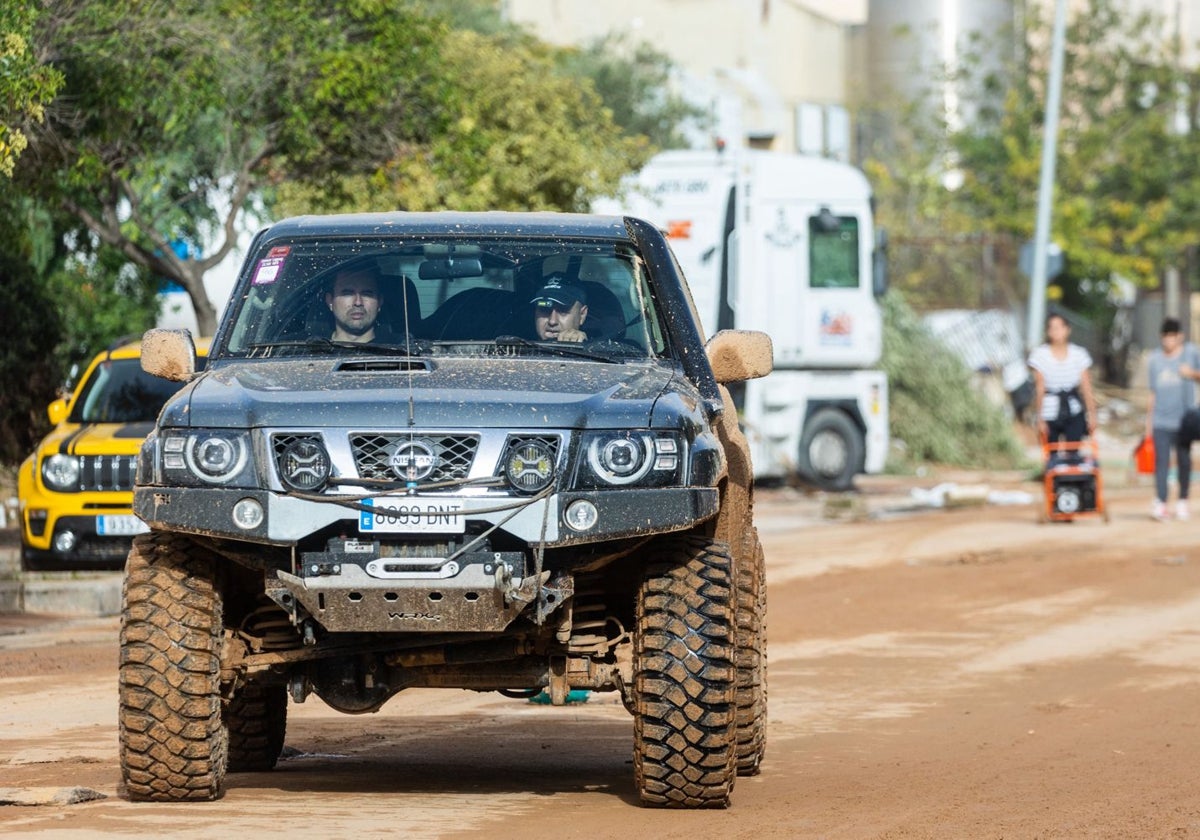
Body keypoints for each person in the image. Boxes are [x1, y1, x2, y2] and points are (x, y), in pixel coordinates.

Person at [1145, 317, 1200, 521]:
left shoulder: (1191, 353)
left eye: (1172, 337)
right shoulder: (1155, 359)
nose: (1168, 341)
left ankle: (1183, 501)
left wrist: (1191, 373)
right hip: (1161, 421)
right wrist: (1148, 425)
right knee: (1161, 462)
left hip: (1185, 421)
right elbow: (1152, 393)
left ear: (1180, 337)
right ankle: (1161, 502)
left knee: (1184, 461)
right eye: (1165, 337)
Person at [1029, 312, 1098, 446]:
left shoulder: (1079, 354)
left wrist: (1092, 414)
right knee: (1051, 455)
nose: (1056, 332)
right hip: (1049, 411)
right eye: (1052, 328)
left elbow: (1086, 387)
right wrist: (1040, 418)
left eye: (1059, 327)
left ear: (1067, 330)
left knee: (1074, 453)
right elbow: (1040, 388)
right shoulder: (1040, 355)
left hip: (1073, 408)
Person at [325, 266, 387, 343]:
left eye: (366, 294)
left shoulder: (400, 350)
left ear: (380, 302)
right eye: (348, 293)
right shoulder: (312, 349)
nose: (358, 302)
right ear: (330, 301)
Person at [530, 275, 589, 342]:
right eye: (545, 310)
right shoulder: (517, 347)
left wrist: (581, 345)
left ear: (582, 315)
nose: (552, 321)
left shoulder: (596, 349)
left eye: (562, 311)